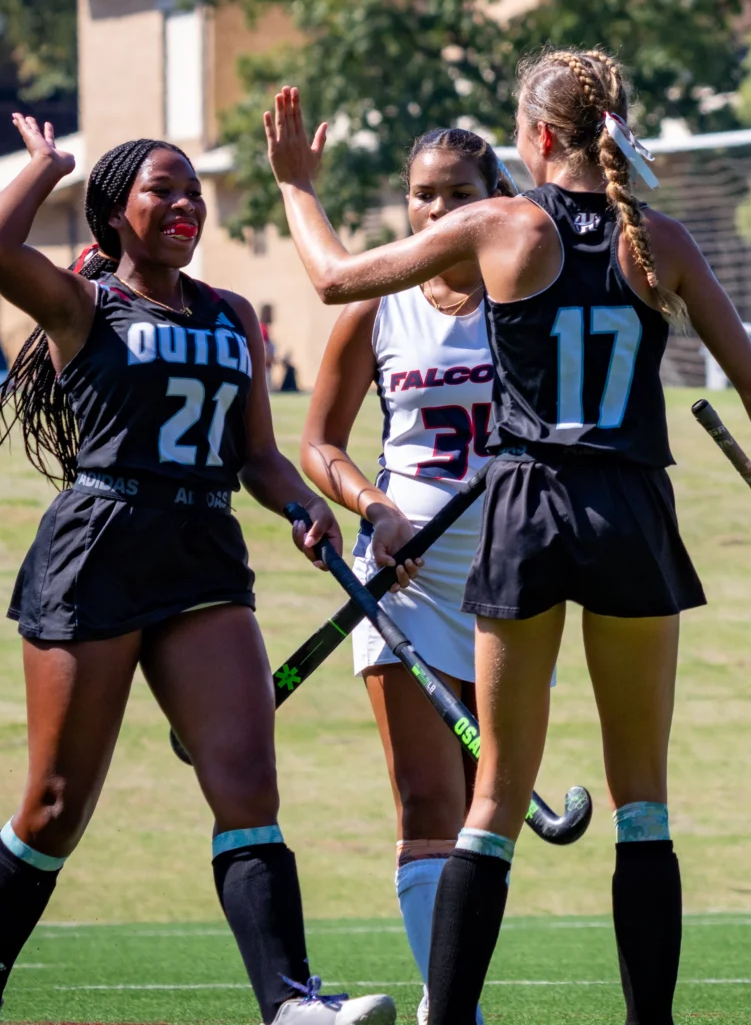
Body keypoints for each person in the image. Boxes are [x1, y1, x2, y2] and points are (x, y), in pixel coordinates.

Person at [261, 49, 751, 1025]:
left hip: (524, 507)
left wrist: (296, 189)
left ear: (535, 138)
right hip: (631, 508)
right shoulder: (664, 241)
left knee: (492, 802)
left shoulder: (499, 224)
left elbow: (328, 280)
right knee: (641, 797)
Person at [0, 115, 394, 1025]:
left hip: (202, 556)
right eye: (162, 191)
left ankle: (292, 1002)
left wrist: (303, 505)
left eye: (194, 192)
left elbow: (256, 453)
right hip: (99, 548)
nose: (186, 205)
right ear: (113, 215)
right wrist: (51, 168)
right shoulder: (81, 305)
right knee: (57, 805)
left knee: (247, 782)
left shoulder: (231, 316)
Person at [299, 127, 512, 1024]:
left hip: (507, 582)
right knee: (428, 800)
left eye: (457, 192)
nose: (436, 210)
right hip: (404, 585)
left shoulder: (524, 292)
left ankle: (448, 997)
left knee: (480, 813)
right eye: (422, 194)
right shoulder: (379, 302)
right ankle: (446, 1010)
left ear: (495, 194)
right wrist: (370, 507)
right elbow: (318, 442)